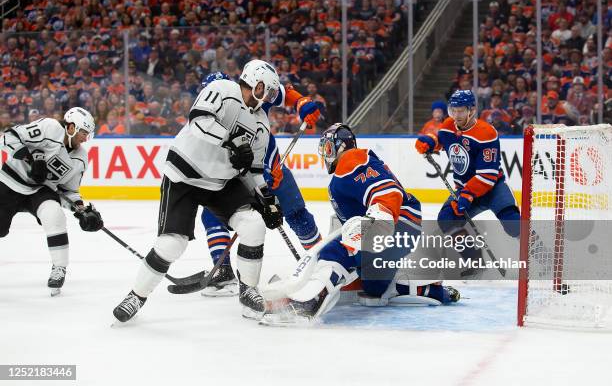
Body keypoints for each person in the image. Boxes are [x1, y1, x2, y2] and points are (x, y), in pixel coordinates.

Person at [112, 60, 285, 322]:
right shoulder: (223, 89)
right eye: (265, 90)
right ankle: (136, 295)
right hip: (185, 175)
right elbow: (199, 121)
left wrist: (266, 198)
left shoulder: (261, 122)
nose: (267, 97)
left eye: (271, 94)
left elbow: (254, 169)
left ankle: (248, 290)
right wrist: (233, 142)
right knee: (172, 244)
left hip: (221, 183)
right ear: (252, 80)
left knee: (254, 224)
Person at [260, 124, 459, 325]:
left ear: (342, 147)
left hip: (394, 223)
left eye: (329, 149)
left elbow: (387, 191)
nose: (325, 155)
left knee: (336, 252)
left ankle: (307, 303)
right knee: (373, 287)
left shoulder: (351, 158)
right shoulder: (345, 172)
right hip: (402, 227)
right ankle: (433, 290)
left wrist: (380, 215)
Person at [196, 71, 323, 297]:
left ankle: (322, 261)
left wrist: (302, 102)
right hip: (243, 180)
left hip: (273, 171)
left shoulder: (252, 97)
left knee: (296, 214)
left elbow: (283, 93)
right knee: (212, 214)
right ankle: (224, 272)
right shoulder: (206, 122)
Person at [0, 108, 104, 295]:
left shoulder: (80, 158)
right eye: (83, 133)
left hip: (40, 190)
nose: (85, 139)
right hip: (10, 181)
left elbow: (68, 191)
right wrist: (29, 158)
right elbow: (8, 137)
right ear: (71, 127)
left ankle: (59, 268)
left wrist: (81, 210)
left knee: (54, 214)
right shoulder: (50, 127)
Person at [415, 90, 520, 270]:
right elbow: (440, 140)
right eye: (453, 110)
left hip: (493, 188)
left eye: (461, 111)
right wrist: (430, 142)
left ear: (471, 110)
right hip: (465, 188)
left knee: (513, 223)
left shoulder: (486, 133)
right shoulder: (449, 125)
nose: (456, 115)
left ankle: (541, 254)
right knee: (447, 219)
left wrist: (467, 195)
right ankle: (475, 261)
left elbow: (487, 175)